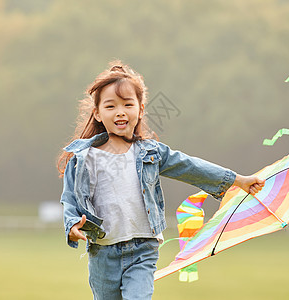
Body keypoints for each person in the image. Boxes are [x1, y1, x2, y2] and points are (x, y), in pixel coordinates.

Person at [57, 61, 265, 299]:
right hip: (103, 254)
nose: (120, 112)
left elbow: (190, 166)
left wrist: (238, 180)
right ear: (97, 113)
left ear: (141, 109)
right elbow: (70, 198)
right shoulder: (84, 158)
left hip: (142, 251)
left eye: (128, 104)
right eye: (111, 106)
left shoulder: (150, 152)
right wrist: (72, 226)